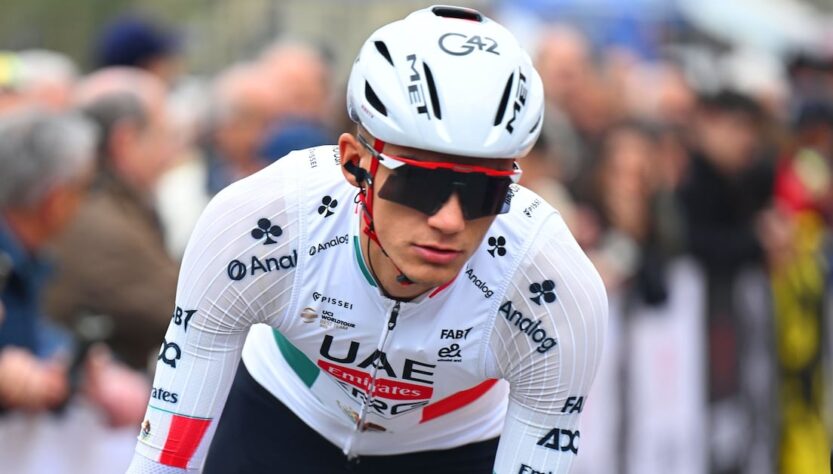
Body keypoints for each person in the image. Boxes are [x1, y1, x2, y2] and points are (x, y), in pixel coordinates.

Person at [127, 6, 607, 474]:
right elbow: (162, 460)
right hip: (281, 415)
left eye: (487, 191)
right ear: (355, 162)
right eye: (418, 183)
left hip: (453, 445)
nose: (449, 220)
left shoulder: (550, 284)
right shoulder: (264, 220)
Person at [43, 67, 180, 370]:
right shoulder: (97, 221)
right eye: (163, 135)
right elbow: (187, 313)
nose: (172, 153)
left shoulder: (112, 205)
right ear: (125, 140)